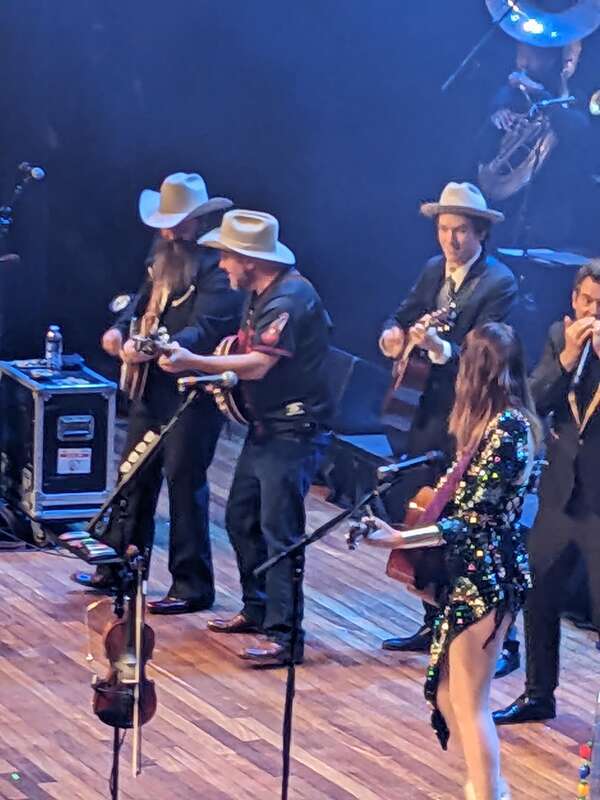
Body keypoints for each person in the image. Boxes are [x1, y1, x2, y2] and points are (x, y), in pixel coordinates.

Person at [363, 322, 542, 800]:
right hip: (469, 570)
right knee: (447, 693)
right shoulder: (488, 426)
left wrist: (399, 537)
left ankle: (488, 791)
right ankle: (488, 785)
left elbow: (474, 520)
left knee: (470, 700)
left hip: (488, 574)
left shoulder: (508, 429)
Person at [158, 208, 332, 665]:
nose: (222, 266)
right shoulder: (262, 292)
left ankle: (285, 634)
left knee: (281, 530)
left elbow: (258, 363)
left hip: (293, 432)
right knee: (241, 518)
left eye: (228, 258)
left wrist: (193, 361)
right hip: (267, 428)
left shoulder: (290, 298)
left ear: (248, 259)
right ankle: (258, 609)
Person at [72, 172, 241, 613]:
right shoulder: (162, 254)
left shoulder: (216, 269)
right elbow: (140, 301)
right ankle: (119, 567)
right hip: (151, 388)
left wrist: (147, 347)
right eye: (166, 222)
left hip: (190, 393)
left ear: (199, 221)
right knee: (133, 476)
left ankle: (191, 584)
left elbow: (207, 329)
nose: (169, 231)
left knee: (184, 483)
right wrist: (117, 330)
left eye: (178, 222)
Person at [379, 181, 519, 674]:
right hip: (426, 409)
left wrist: (443, 351)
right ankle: (434, 616)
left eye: (460, 230)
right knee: (420, 509)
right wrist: (395, 335)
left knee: (469, 522)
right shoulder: (432, 271)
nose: (450, 240)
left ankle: (502, 639)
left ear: (480, 232)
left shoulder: (498, 283)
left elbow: (490, 353)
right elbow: (401, 315)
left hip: (469, 411)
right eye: (444, 229)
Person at [494, 260, 600, 725]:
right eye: (587, 301)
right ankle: (539, 694)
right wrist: (563, 363)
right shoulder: (561, 338)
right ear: (573, 301)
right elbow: (533, 400)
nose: (593, 313)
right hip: (561, 495)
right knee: (538, 594)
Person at [480, 40, 589, 248]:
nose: (523, 59)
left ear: (550, 58)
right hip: (505, 207)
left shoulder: (576, 93)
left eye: (530, 52)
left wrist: (540, 92)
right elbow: (480, 149)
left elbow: (578, 129)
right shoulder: (508, 93)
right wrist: (495, 120)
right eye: (520, 50)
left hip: (550, 213)